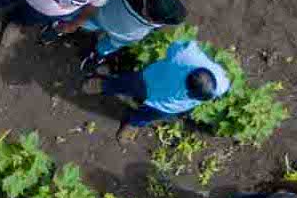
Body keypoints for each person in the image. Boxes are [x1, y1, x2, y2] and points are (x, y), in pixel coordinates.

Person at [93, 38, 230, 136]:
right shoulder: (185, 55)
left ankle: (133, 124)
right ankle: (102, 85)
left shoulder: (221, 84)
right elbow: (176, 46)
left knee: (147, 116)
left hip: (166, 106)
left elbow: (175, 46)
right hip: (148, 81)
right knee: (126, 84)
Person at [81, 0, 186, 65]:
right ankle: (97, 54)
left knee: (90, 22)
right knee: (111, 45)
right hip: (122, 36)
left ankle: (82, 26)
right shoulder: (156, 22)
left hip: (103, 15)